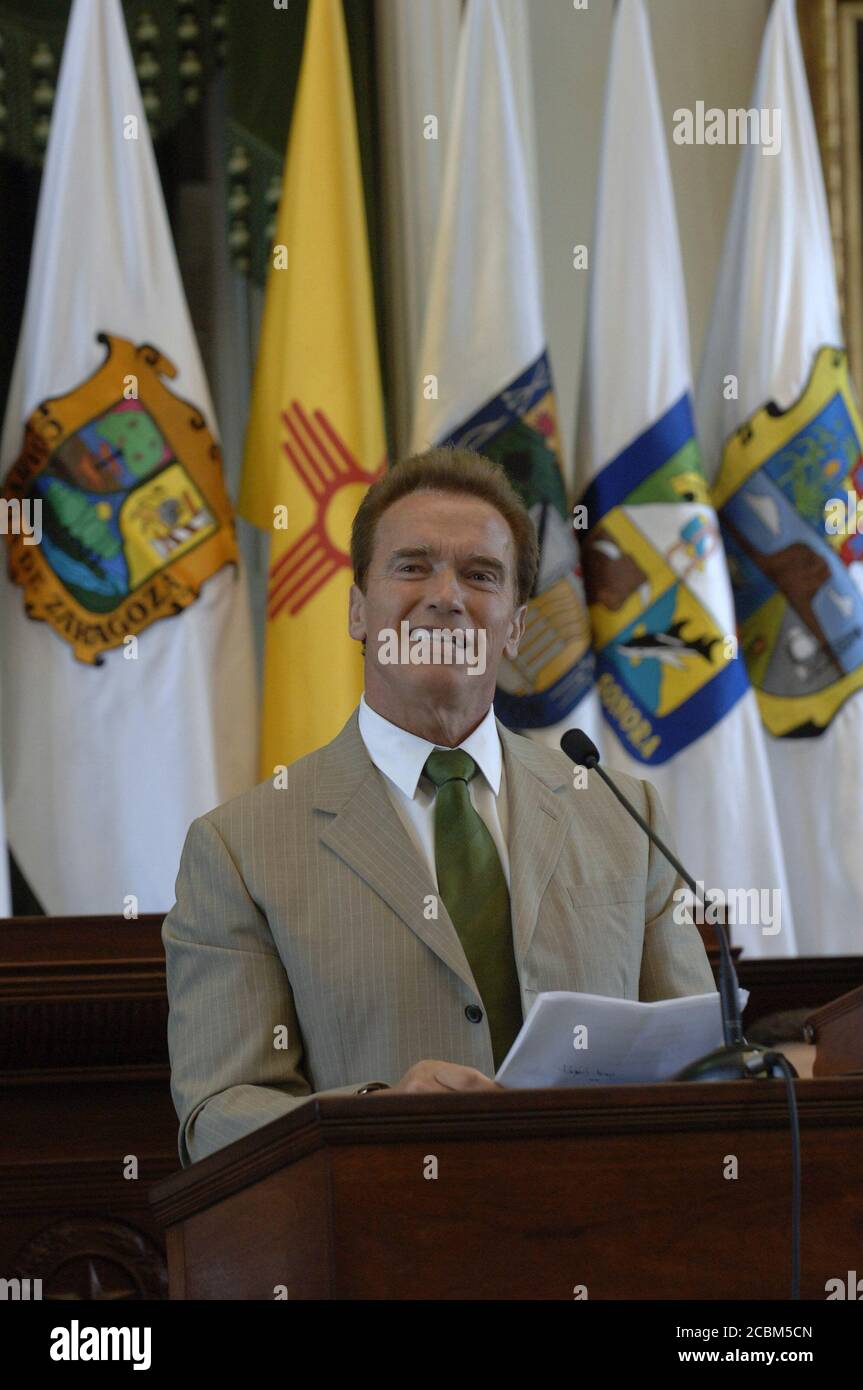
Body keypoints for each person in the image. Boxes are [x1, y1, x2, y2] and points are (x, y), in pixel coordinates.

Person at [163, 447, 715, 1166]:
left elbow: (701, 1065)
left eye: (480, 575)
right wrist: (377, 1116)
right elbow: (215, 1115)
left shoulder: (621, 813)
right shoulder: (238, 847)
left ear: (514, 626)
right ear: (358, 609)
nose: (446, 596)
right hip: (383, 1241)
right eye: (412, 565)